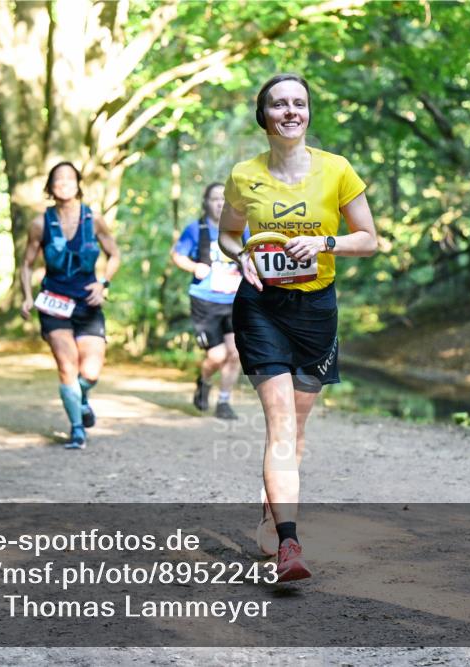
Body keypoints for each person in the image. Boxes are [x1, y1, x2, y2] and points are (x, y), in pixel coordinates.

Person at [218, 74, 378, 581]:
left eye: (299, 103)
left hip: (316, 311)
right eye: (280, 104)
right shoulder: (245, 175)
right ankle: (290, 544)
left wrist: (326, 244)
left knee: (297, 429)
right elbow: (226, 235)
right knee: (281, 424)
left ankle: (273, 507)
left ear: (308, 113)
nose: (291, 111)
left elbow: (369, 238)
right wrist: (240, 254)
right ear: (263, 115)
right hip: (261, 306)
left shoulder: (337, 170)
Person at [20, 161, 120, 449]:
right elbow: (26, 265)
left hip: (87, 304)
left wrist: (103, 284)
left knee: (90, 372)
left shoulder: (94, 218)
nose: (63, 182)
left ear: (78, 184)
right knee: (67, 364)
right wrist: (28, 296)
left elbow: (114, 254)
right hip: (54, 303)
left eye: (69, 178)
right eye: (57, 179)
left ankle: (82, 398)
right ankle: (77, 429)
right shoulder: (40, 224)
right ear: (50, 187)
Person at [171, 183, 248, 420]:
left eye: (224, 199)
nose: (220, 204)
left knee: (235, 353)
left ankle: (224, 402)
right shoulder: (196, 229)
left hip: (234, 299)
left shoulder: (240, 230)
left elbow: (253, 254)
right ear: (206, 202)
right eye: (215, 199)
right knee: (217, 355)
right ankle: (204, 381)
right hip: (205, 301)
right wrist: (195, 267)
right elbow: (177, 255)